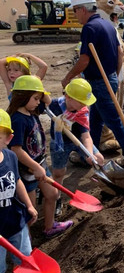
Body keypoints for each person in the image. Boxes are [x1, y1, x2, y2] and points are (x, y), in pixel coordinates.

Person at [61, 0, 124, 166]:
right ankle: (89, 156)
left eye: (75, 11)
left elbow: (85, 59)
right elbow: (119, 52)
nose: (75, 15)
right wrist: (114, 75)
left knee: (114, 121)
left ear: (82, 9)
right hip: (107, 78)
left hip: (99, 82)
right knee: (94, 120)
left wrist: (68, 77)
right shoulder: (106, 24)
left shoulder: (90, 28)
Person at [7, 75, 73, 238]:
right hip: (25, 169)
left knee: (52, 194)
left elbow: (48, 101)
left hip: (39, 161)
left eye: (38, 98)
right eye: (35, 98)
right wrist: (35, 167)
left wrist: (39, 92)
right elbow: (16, 150)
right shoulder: (17, 119)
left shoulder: (33, 110)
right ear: (22, 97)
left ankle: (49, 227)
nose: (39, 102)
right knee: (30, 211)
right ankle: (26, 243)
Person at [0, 109, 43, 273]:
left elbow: (17, 182)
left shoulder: (10, 156)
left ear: (8, 138)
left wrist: (28, 205)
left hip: (15, 221)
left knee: (23, 257)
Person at [49, 78, 104, 216]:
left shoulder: (82, 111)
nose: (85, 105)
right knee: (58, 173)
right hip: (60, 142)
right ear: (68, 97)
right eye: (81, 101)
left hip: (79, 139)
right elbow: (43, 99)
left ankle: (104, 184)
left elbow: (86, 136)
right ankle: (58, 198)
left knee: (99, 158)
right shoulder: (55, 105)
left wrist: (90, 154)